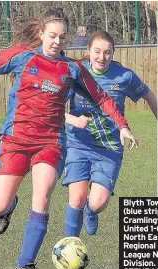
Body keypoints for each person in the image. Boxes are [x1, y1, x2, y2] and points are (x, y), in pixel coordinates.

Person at [0, 11, 136, 269]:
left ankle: (25, 267)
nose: (57, 42)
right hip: (15, 140)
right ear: (41, 35)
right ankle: (8, 209)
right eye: (52, 36)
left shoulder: (72, 69)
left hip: (49, 143)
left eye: (62, 37)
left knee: (43, 196)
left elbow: (102, 97)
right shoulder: (23, 56)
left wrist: (122, 125)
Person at [63, 31, 157, 239]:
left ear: (113, 53)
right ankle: (69, 246)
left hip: (109, 148)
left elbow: (149, 95)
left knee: (96, 202)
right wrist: (73, 120)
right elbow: (57, 107)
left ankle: (92, 210)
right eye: (97, 51)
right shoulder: (75, 74)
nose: (101, 57)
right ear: (88, 51)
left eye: (107, 52)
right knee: (77, 198)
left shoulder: (124, 76)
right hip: (78, 143)